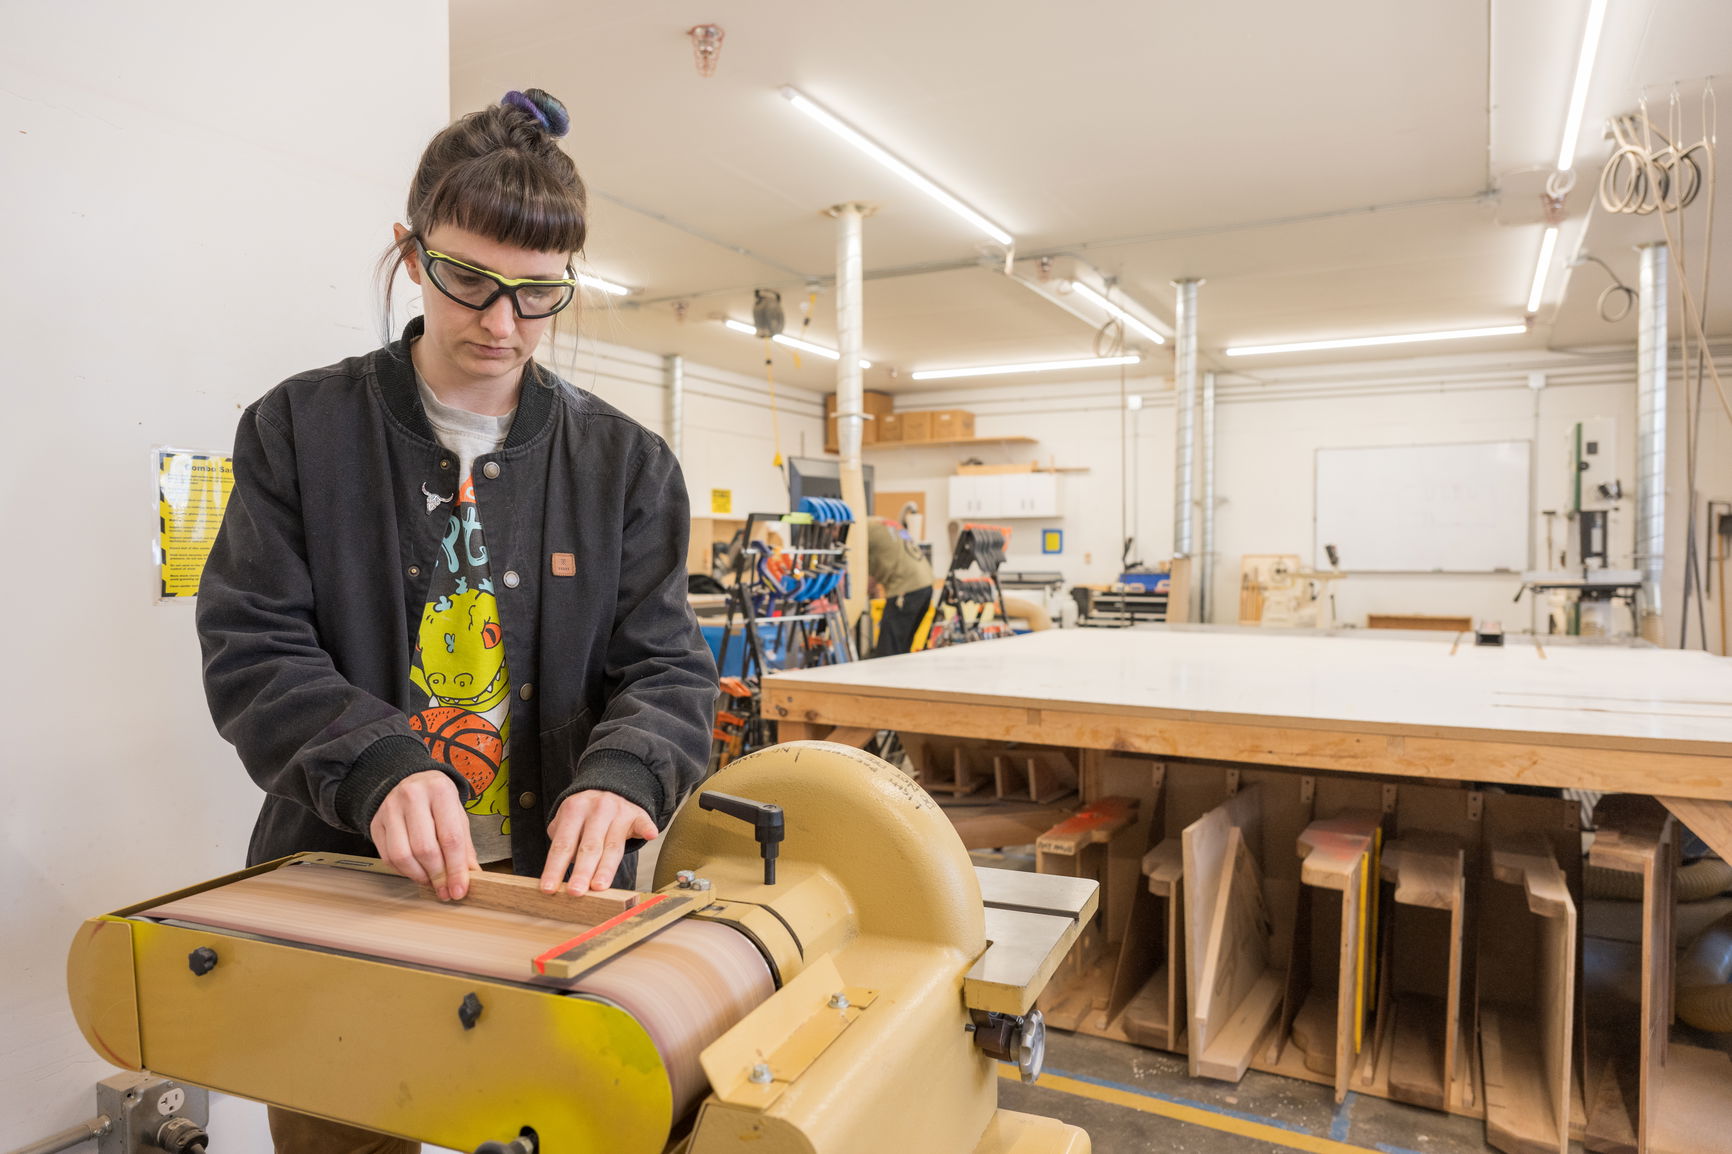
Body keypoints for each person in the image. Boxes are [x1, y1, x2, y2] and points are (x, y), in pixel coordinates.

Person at [195, 88, 717, 1154]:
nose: (501, 322)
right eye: (468, 280)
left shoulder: (626, 465)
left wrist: (624, 775)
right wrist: (379, 761)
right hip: (343, 896)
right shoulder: (300, 428)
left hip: (551, 909)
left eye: (538, 295)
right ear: (409, 247)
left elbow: (666, 668)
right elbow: (253, 645)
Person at [866, 515, 935, 656]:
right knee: (902, 648)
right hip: (925, 584)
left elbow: (866, 579)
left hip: (906, 588)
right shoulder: (880, 523)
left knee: (888, 652)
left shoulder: (860, 531)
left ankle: (887, 678)